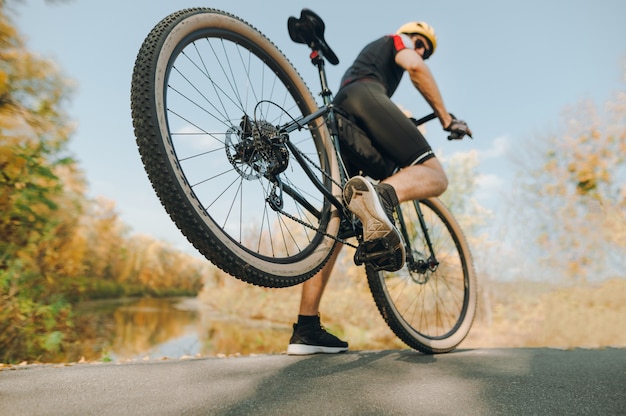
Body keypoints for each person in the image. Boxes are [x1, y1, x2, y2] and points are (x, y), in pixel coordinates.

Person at [286, 21, 472, 355]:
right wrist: (446, 118)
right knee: (434, 175)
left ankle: (306, 329)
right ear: (412, 39)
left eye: (425, 49)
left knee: (339, 225)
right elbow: (415, 67)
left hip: (343, 118)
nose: (421, 51)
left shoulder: (375, 62)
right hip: (363, 96)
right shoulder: (398, 41)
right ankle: (383, 197)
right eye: (421, 45)